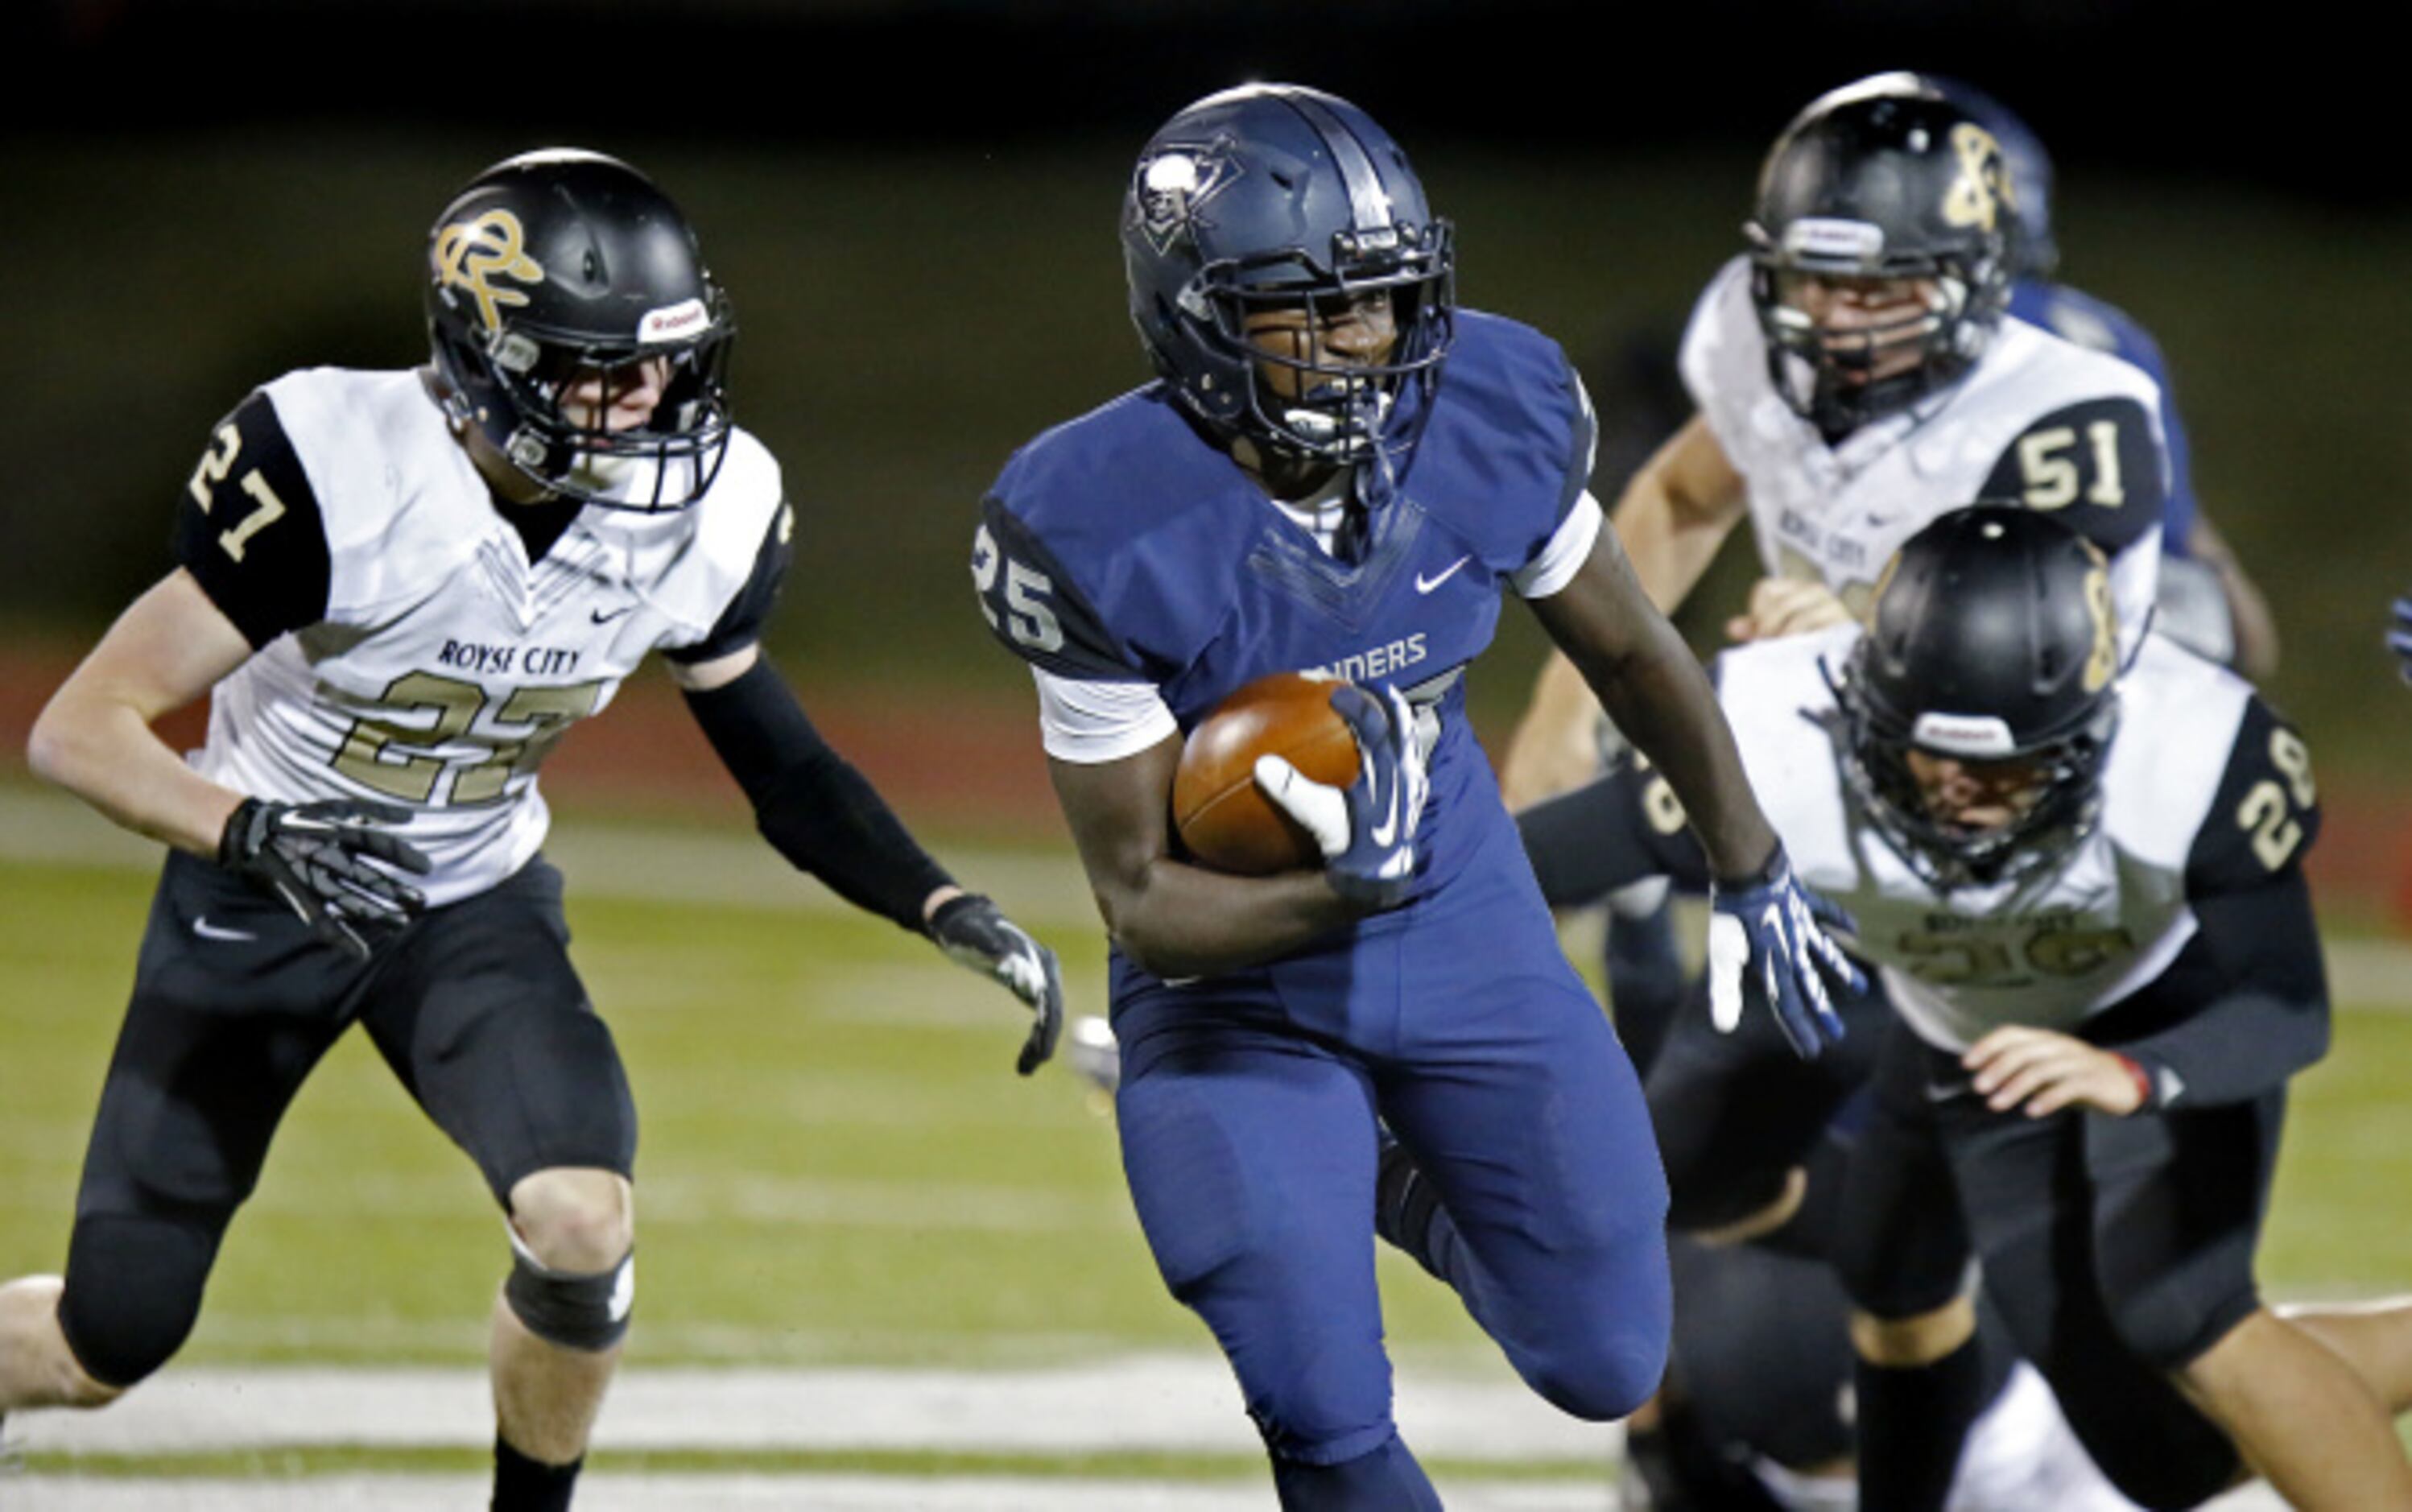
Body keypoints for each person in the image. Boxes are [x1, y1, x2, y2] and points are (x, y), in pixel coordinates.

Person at [0, 148, 1064, 1511]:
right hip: (262, 895)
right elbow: (81, 725)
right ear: (482, 353)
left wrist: (940, 902)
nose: (643, 402)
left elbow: (780, 764)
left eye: (662, 367)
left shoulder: (704, 507)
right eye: (595, 366)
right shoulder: (336, 464)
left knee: (579, 1220)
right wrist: (252, 830)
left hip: (469, 897)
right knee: (112, 1338)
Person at [973, 83, 1861, 1509]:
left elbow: (1634, 651)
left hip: (1452, 903)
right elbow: (1141, 896)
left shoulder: (1488, 405)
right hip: (1229, 978)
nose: (1358, 349)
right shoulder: (1093, 517)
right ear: (1195, 318)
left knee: (1607, 1355)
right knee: (1320, 1406)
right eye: (1304, 315)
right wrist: (1330, 891)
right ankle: (1293, 1163)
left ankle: (1384, 1171)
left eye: (1378, 305)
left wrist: (1747, 863)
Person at [1517, 506, 2412, 1510]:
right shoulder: (1779, 735)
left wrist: (2129, 1071)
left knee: (2182, 1339)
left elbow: (2285, 1006)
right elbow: (1518, 862)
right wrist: (1342, 884)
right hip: (1968, 1033)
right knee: (1940, 1317)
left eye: (2003, 768)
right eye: (1924, 757)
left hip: (2154, 1021)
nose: (1955, 797)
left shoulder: (2194, 752)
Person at [1501, 71, 2176, 814]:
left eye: (1877, 293)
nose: (1836, 323)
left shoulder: (2061, 417)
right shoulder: (1758, 342)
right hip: (1846, 729)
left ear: (1974, 281)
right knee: (1570, 815)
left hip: (2028, 783)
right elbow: (1684, 496)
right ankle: (1643, 913)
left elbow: (2036, 670)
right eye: (1813, 284)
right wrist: (1568, 707)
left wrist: (1873, 647)